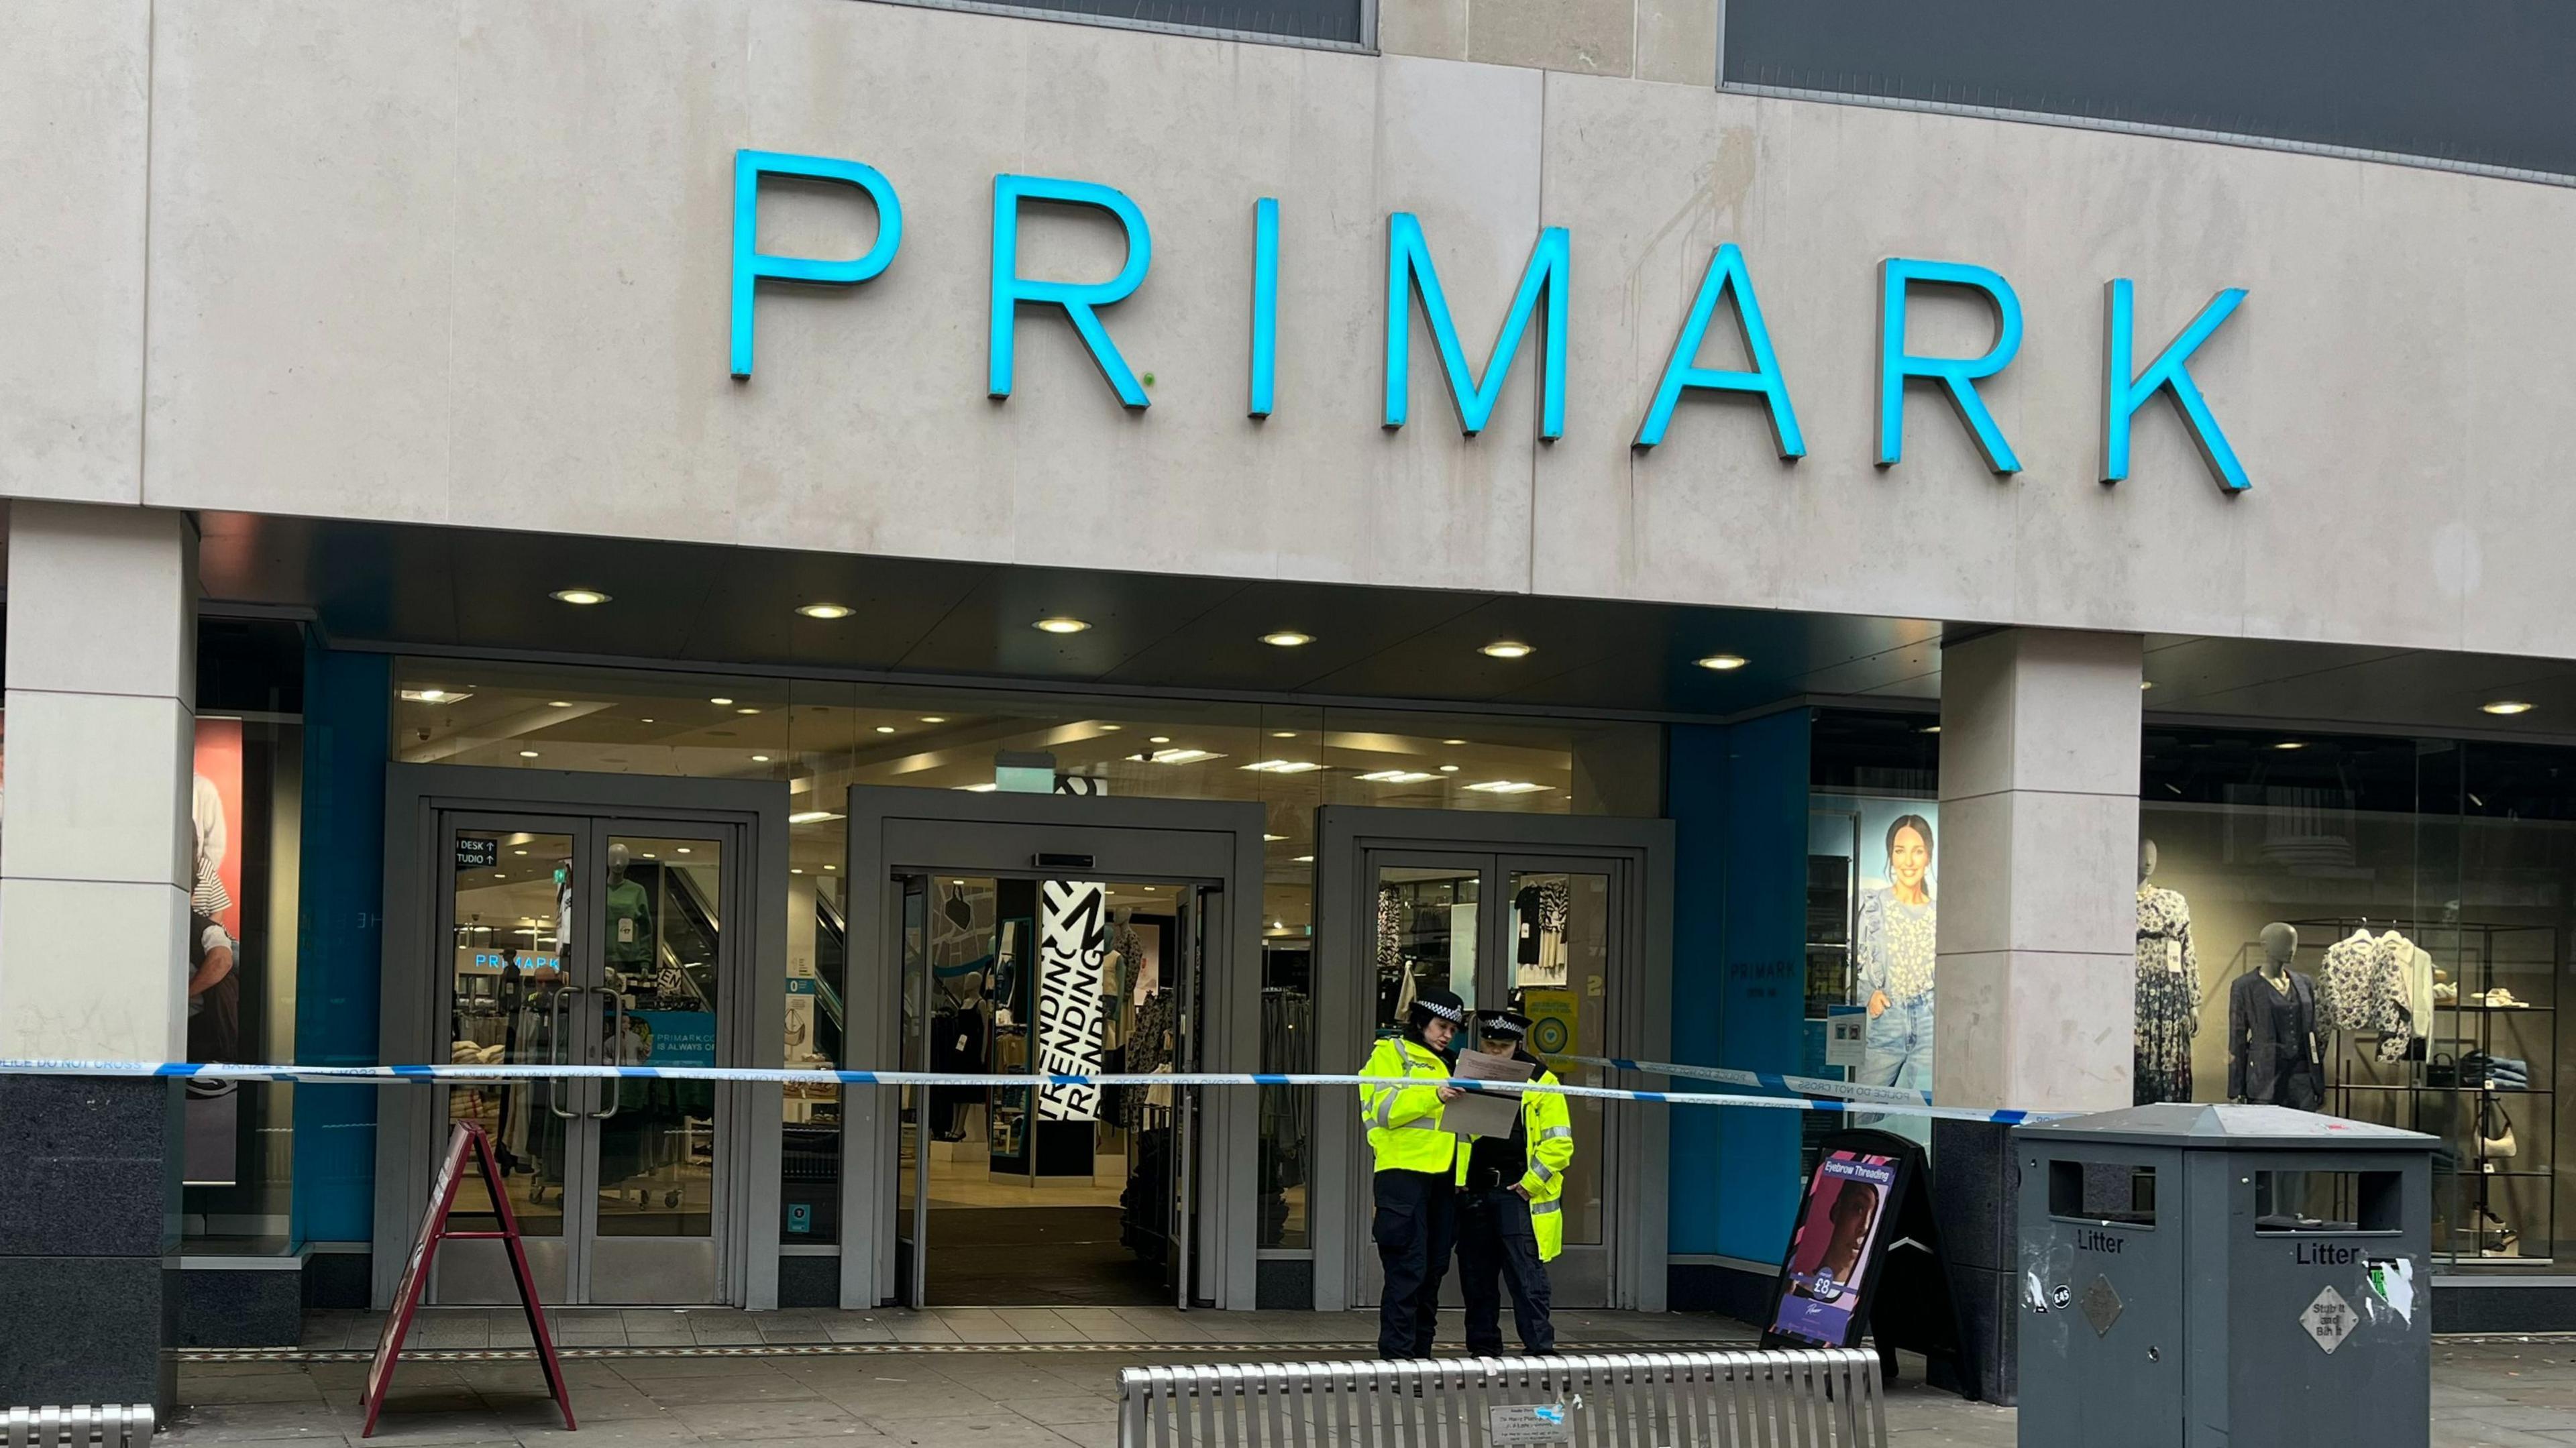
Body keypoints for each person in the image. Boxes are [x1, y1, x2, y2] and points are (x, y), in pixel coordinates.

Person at [1454, 1009, 1571, 1357]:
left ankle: (1540, 1353)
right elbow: (1460, 1135)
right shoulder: (1472, 1075)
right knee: (1477, 1279)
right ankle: (1483, 1352)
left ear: (1517, 1045)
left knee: (1526, 1279)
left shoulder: (1542, 1082)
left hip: (1516, 1192)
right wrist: (1461, 1182)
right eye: (1489, 1045)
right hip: (1476, 1191)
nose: (1493, 1053)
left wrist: (1530, 1184)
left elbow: (1559, 1143)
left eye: (1502, 1047)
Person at [1358, 987, 1466, 1359]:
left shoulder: (1452, 1063)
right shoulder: (1390, 1054)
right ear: (1421, 1022)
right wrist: (1433, 1096)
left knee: (1433, 1271)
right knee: (1407, 1270)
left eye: (1453, 1029)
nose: (1447, 1035)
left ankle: (1421, 1358)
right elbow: (1385, 1110)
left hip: (1445, 1178)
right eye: (1441, 1026)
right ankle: (1397, 1360)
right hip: (1402, 1175)